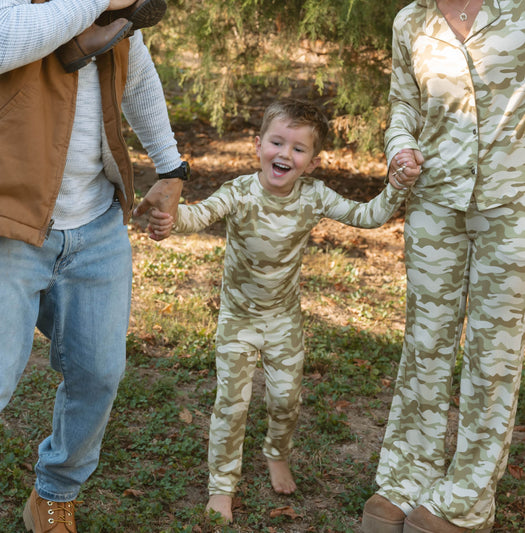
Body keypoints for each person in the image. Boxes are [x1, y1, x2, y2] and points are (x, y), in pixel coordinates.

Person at [148, 99, 418, 523]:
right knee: (231, 405)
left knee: (285, 400)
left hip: (283, 321)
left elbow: (368, 216)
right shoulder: (239, 192)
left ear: (311, 163)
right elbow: (197, 215)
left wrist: (399, 184)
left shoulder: (313, 197)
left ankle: (276, 453)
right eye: (277, 142)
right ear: (258, 146)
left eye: (297, 149)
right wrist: (169, 220)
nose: (284, 154)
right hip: (238, 321)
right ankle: (222, 486)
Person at [0, 1, 188, 531]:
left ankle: (54, 495)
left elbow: (138, 74)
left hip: (96, 221)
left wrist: (171, 167)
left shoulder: (117, 17)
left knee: (98, 373)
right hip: (6, 220)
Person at [361, 1, 525, 532]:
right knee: (425, 343)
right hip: (434, 203)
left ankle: (467, 499)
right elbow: (403, 103)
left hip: (513, 205)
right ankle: (406, 480)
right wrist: (400, 145)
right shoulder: (411, 21)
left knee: (493, 354)